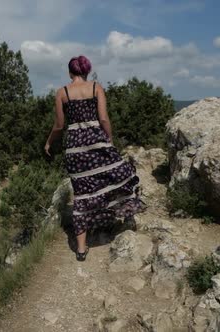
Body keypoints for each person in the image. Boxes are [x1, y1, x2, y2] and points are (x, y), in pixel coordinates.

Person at [44, 55, 147, 262]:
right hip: (97, 142)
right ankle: (121, 215)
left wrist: (48, 143)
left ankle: (81, 249)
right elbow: (103, 118)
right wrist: (109, 138)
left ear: (70, 72)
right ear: (87, 71)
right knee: (116, 177)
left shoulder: (62, 93)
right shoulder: (95, 88)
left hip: (75, 149)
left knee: (81, 194)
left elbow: (58, 126)